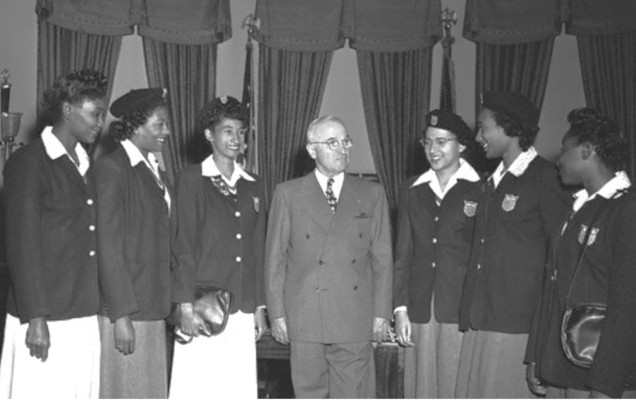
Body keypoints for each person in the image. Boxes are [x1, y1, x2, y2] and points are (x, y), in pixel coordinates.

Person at [265, 115, 393, 398]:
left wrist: (381, 313)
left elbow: (382, 259)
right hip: (305, 313)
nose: (342, 149)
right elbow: (275, 259)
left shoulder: (372, 193)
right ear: (312, 150)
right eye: (332, 142)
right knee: (309, 393)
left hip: (354, 315)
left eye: (346, 141)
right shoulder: (288, 193)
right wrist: (277, 313)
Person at [0, 69, 107, 398]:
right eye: (95, 114)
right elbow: (22, 245)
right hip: (44, 315)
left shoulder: (84, 162)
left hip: (81, 312)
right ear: (68, 110)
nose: (100, 123)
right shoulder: (29, 163)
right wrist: (35, 317)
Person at [456, 91, 571, 398]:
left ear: (510, 128)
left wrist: (542, 337)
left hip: (517, 326)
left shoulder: (546, 178)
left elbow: (558, 264)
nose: (478, 136)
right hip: (483, 319)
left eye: (484, 127)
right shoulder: (491, 182)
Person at [525, 108, 636, 398]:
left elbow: (628, 304)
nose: (558, 159)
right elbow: (550, 286)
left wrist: (607, 385)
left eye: (565, 149)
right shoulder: (574, 208)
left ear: (587, 151)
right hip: (564, 368)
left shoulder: (626, 210)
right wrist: (538, 357)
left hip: (602, 375)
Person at [169, 95, 267, 398]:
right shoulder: (191, 179)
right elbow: (182, 245)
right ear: (209, 135)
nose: (236, 138)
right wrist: (184, 305)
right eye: (227, 130)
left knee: (235, 388)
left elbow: (257, 248)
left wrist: (259, 307)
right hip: (203, 307)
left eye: (241, 131)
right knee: (199, 388)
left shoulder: (254, 183)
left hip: (241, 308)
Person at [393, 110, 481, 398]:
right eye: (428, 142)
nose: (433, 149)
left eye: (442, 142)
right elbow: (403, 253)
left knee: (457, 386)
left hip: (460, 307)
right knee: (421, 386)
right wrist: (400, 309)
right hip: (420, 304)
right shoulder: (411, 188)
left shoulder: (482, 188)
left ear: (462, 146)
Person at [93, 88, 173, 398]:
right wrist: (121, 315)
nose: (167, 131)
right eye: (159, 124)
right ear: (136, 126)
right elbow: (108, 246)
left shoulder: (155, 171)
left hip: (151, 307)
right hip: (127, 310)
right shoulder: (112, 169)